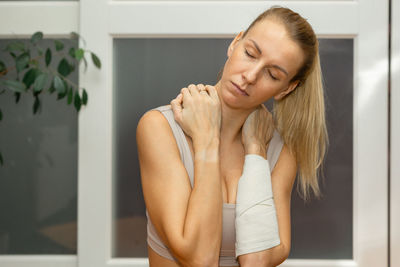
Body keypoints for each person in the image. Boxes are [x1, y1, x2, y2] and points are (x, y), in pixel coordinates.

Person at [137, 6, 328, 267]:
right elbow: (198, 259)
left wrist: (256, 154)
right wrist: (207, 141)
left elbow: (256, 262)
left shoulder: (282, 152)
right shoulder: (159, 128)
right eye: (250, 53)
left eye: (272, 74)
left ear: (286, 89)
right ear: (235, 43)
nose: (249, 76)